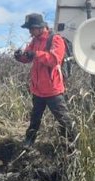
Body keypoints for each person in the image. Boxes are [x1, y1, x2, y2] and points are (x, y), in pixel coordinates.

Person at [14, 13, 76, 148]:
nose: (29, 32)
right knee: (35, 119)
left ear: (39, 27)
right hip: (37, 89)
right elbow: (28, 57)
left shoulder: (55, 39)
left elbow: (54, 60)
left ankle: (73, 144)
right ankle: (29, 142)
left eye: (31, 28)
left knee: (64, 119)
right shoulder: (34, 41)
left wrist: (36, 54)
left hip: (53, 90)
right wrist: (20, 57)